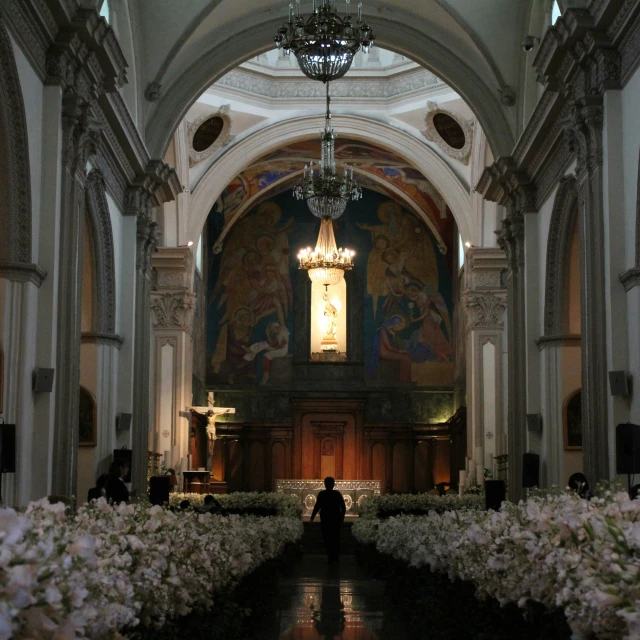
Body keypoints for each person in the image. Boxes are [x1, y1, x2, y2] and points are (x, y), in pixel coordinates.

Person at [310, 477, 347, 564]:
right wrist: (341, 518)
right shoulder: (337, 494)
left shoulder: (322, 494)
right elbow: (343, 507)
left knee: (327, 538)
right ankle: (336, 557)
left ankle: (330, 556)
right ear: (333, 484)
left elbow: (317, 506)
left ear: (324, 484)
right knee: (336, 538)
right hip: (335, 520)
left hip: (325, 520)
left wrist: (312, 518)